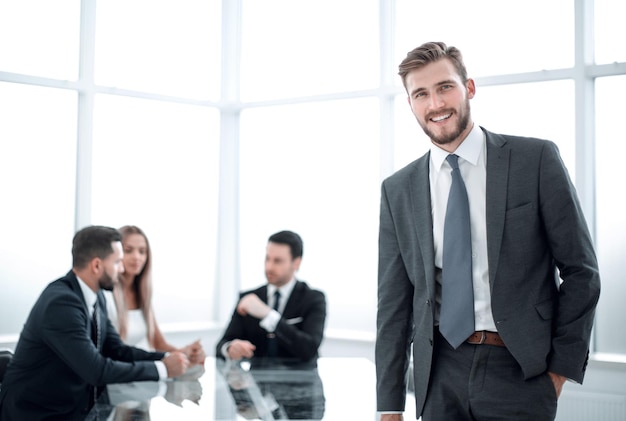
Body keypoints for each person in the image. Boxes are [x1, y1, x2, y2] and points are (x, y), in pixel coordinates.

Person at [376, 42, 601, 421]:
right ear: (411, 103)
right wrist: (389, 405)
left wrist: (558, 371)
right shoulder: (398, 189)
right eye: (421, 94)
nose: (435, 103)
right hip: (438, 374)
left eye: (445, 87)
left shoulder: (535, 161)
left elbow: (582, 272)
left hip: (520, 372)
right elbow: (394, 305)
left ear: (469, 88)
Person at [0, 225, 190, 420]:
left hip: (74, 410)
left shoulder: (94, 295)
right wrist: (163, 369)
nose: (122, 269)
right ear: (97, 266)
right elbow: (96, 371)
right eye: (117, 262)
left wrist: (165, 357)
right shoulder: (61, 304)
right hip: (37, 414)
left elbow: (117, 350)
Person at [216, 230, 326, 363]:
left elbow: (309, 349)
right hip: (256, 381)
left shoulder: (313, 299)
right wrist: (230, 349)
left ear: (296, 263)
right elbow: (221, 345)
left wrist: (268, 315)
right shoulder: (249, 298)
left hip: (302, 380)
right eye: (267, 259)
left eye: (277, 261)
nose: (269, 267)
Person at [105, 225, 205, 365]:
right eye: (128, 251)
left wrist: (186, 354)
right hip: (117, 372)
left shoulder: (142, 295)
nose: (136, 257)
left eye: (142, 251)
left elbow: (159, 343)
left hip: (138, 372)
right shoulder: (106, 295)